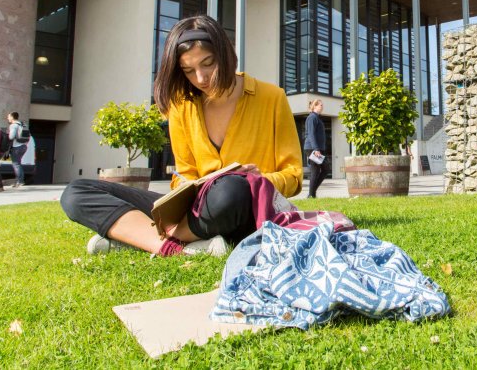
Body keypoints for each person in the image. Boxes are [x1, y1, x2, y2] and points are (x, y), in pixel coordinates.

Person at [61, 15, 303, 256]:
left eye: (208, 63)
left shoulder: (272, 97)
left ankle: (146, 238)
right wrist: (185, 186)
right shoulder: (181, 105)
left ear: (226, 54)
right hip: (194, 210)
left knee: (232, 188)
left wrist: (260, 180)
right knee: (76, 192)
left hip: (242, 205)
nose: (200, 78)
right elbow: (183, 174)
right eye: (188, 70)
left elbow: (293, 176)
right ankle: (174, 246)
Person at [304, 99, 328, 198]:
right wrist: (316, 149)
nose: (322, 107)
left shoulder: (317, 118)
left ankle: (312, 193)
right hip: (312, 148)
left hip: (317, 148)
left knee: (325, 169)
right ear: (314, 106)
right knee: (316, 171)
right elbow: (311, 134)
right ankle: (311, 194)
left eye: (322, 105)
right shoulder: (312, 118)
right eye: (320, 105)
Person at [7, 112, 27, 188]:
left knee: (16, 164)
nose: (8, 118)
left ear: (12, 117)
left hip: (17, 147)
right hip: (24, 146)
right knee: (18, 164)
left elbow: (11, 137)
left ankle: (19, 181)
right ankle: (20, 181)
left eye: (8, 117)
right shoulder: (23, 124)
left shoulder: (13, 125)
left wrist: (8, 134)